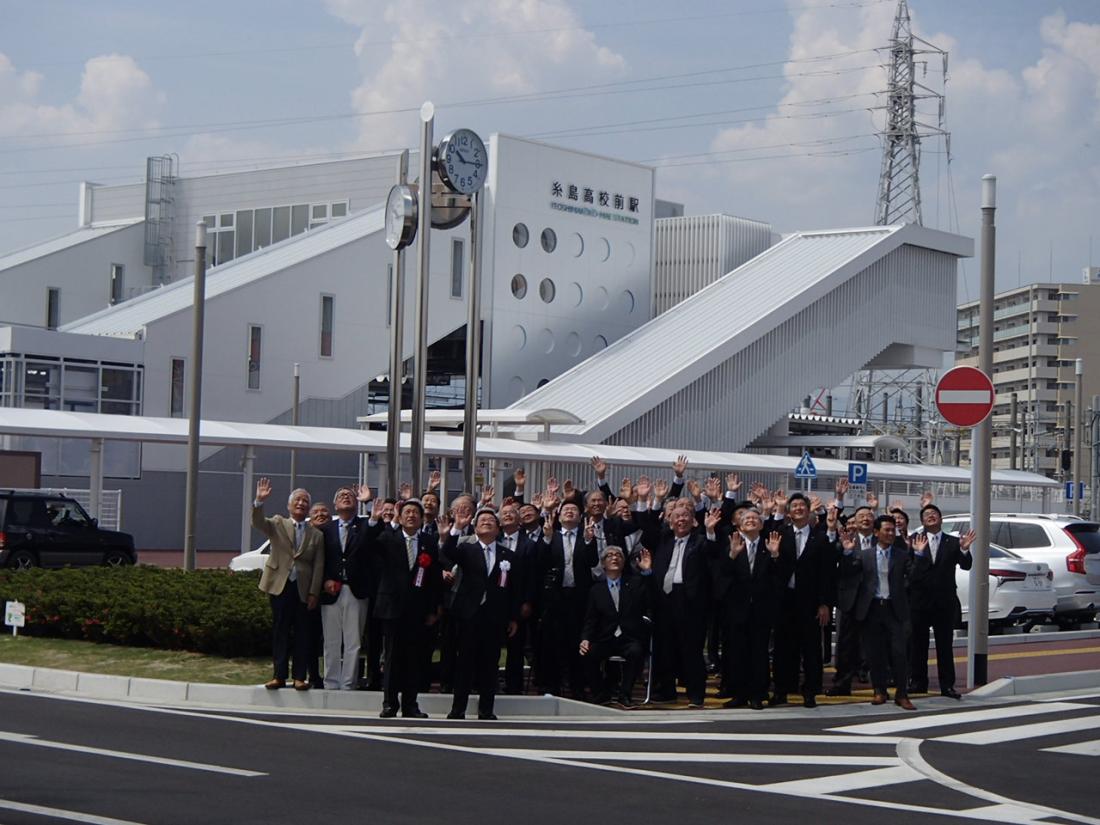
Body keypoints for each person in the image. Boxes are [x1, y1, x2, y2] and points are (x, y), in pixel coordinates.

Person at [634, 490, 715, 708]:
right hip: (663, 601)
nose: (681, 519)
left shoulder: (700, 542)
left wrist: (710, 531)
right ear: (669, 522)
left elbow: (712, 554)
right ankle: (666, 690)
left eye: (686, 516)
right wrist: (649, 500)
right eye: (676, 517)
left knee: (692, 652)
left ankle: (696, 695)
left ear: (694, 522)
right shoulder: (662, 540)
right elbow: (647, 527)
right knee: (664, 648)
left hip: (690, 603)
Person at [363, 497, 443, 718]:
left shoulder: (428, 541)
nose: (411, 516)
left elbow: (434, 578)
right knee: (391, 657)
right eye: (407, 512)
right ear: (400, 515)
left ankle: (411, 704)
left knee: (413, 658)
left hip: (417, 610)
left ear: (421, 518)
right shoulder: (389, 537)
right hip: (391, 608)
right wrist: (374, 520)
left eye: (415, 513)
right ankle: (389, 703)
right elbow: (369, 545)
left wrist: (433, 609)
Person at [439, 508, 521, 720]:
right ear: (475, 527)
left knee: (490, 663)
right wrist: (456, 527)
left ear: (498, 528)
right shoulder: (467, 549)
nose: (486, 522)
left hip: (494, 616)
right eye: (482, 520)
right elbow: (447, 552)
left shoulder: (508, 555)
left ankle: (486, 709)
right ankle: (458, 709)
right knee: (464, 662)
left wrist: (513, 617)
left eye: (491, 520)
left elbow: (513, 589)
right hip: (468, 614)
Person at [713, 507, 791, 709]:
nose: (751, 521)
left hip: (761, 609)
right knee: (736, 653)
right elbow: (721, 576)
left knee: (759, 653)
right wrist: (731, 556)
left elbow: (779, 578)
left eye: (755, 518)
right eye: (746, 518)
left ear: (762, 524)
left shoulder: (770, 545)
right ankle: (739, 694)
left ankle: (758, 694)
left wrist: (775, 556)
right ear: (739, 525)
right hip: (736, 609)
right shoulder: (731, 545)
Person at [251, 478, 324, 691]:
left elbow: (318, 566)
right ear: (289, 505)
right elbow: (257, 523)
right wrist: (258, 501)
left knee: (303, 633)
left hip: (303, 588)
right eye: (297, 500)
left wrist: (314, 593)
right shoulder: (277, 523)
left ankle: (299, 677)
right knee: (280, 631)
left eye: (305, 501)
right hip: (280, 585)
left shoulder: (316, 535)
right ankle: (278, 675)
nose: (301, 504)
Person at [839, 514, 915, 709]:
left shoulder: (902, 554)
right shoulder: (865, 555)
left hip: (894, 609)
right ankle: (879, 691)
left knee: (899, 653)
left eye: (893, 530)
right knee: (875, 653)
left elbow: (913, 575)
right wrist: (847, 553)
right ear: (876, 532)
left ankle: (901, 693)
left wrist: (920, 556)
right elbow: (849, 574)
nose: (890, 533)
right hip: (872, 608)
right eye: (886, 530)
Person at [772, 493, 837, 708]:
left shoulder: (820, 537)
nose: (798, 508)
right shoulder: (780, 534)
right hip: (784, 600)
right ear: (789, 512)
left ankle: (810, 691)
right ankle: (781, 690)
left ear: (809, 511)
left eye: (802, 505)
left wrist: (825, 603)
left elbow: (826, 574)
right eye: (795, 506)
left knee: (811, 649)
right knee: (783, 648)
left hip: (810, 601)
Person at [909, 504, 975, 699]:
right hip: (919, 601)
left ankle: (947, 685)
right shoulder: (914, 541)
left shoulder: (953, 542)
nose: (931, 516)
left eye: (934, 514)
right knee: (918, 644)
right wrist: (919, 554)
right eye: (927, 515)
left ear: (941, 519)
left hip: (944, 601)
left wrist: (964, 550)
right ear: (922, 522)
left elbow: (967, 565)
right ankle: (918, 682)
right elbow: (910, 572)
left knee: (944, 645)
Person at [537, 499, 599, 698]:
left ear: (581, 517)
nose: (570, 512)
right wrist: (546, 539)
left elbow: (593, 561)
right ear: (558, 516)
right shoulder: (550, 535)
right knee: (552, 644)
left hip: (579, 597)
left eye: (574, 510)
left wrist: (590, 541)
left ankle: (577, 687)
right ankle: (550, 687)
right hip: (555, 598)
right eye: (566, 510)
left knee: (576, 644)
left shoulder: (586, 536)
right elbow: (541, 561)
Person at [579, 545, 654, 708]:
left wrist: (647, 572)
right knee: (587, 654)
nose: (614, 558)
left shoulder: (634, 583)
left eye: (618, 555)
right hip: (606, 638)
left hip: (629, 637)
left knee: (636, 652)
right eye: (610, 556)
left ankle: (625, 694)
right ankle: (600, 693)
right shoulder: (596, 590)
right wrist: (585, 639)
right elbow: (590, 619)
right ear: (603, 564)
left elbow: (650, 596)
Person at [318, 486, 372, 691]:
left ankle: (349, 683)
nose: (345, 498)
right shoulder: (326, 529)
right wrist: (324, 581)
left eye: (349, 496)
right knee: (331, 640)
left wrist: (367, 502)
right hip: (331, 591)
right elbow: (319, 560)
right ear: (335, 504)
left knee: (353, 641)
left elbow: (376, 529)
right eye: (341, 496)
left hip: (356, 590)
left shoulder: (364, 525)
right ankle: (331, 682)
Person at [827, 505, 875, 696]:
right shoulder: (846, 541)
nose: (865, 519)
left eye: (869, 516)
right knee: (846, 643)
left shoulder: (882, 540)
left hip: (875, 598)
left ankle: (879, 685)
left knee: (877, 643)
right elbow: (833, 561)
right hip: (850, 599)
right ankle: (842, 683)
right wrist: (846, 551)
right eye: (861, 516)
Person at [306, 501, 331, 688]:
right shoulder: (305, 535)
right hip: (310, 593)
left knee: (332, 640)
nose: (320, 514)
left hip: (332, 594)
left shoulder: (334, 534)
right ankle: (313, 675)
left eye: (324, 511)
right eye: (316, 512)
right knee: (311, 637)